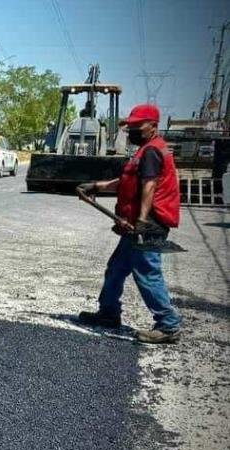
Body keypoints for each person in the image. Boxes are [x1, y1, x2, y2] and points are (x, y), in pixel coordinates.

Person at [77, 103, 182, 344]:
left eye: (137, 126)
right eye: (130, 126)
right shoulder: (144, 150)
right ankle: (108, 313)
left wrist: (143, 221)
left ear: (153, 126)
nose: (132, 130)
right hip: (136, 224)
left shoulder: (153, 152)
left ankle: (168, 325)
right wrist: (97, 186)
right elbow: (127, 180)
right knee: (116, 268)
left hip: (148, 224)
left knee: (147, 273)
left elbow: (149, 185)